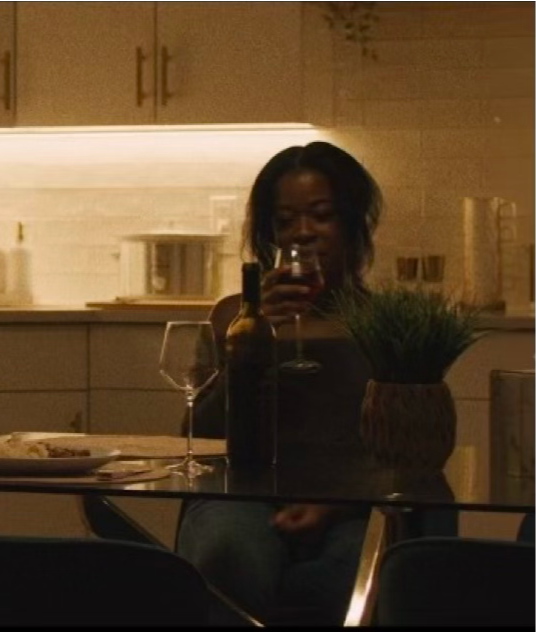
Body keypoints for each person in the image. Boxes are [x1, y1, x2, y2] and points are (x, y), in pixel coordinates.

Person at [176, 140, 385, 626]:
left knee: (348, 574)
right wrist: (251, 345)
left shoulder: (383, 323)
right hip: (240, 497)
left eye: (321, 215)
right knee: (229, 550)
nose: (303, 232)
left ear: (351, 223)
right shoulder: (232, 317)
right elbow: (197, 433)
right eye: (286, 220)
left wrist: (332, 505)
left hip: (349, 505)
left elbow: (403, 449)